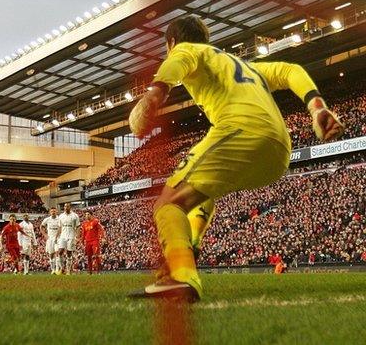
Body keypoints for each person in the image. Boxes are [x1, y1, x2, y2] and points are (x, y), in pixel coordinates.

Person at [128, 16, 344, 301]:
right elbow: (291, 70)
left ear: (171, 43)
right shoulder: (243, 66)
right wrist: (316, 108)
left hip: (241, 130)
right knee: (202, 190)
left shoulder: (186, 50)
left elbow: (176, 62)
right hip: (278, 151)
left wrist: (155, 94)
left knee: (167, 204)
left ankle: (180, 274)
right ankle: (189, 242)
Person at [57, 203, 81, 275]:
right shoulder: (61, 216)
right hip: (63, 235)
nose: (66, 207)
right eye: (64, 206)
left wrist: (77, 237)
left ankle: (68, 270)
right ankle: (62, 268)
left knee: (69, 252)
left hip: (71, 235)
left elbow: (78, 227)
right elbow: (59, 227)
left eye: (67, 206)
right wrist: (57, 236)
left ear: (70, 207)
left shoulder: (75, 216)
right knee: (60, 251)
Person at [40, 207, 62, 274]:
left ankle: (57, 269)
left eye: (54, 211)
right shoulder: (47, 219)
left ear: (56, 212)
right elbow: (41, 226)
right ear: (50, 212)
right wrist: (45, 235)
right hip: (50, 238)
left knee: (57, 253)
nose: (53, 212)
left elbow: (60, 228)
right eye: (52, 211)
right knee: (51, 254)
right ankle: (53, 270)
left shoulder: (59, 219)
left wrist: (56, 236)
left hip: (58, 238)